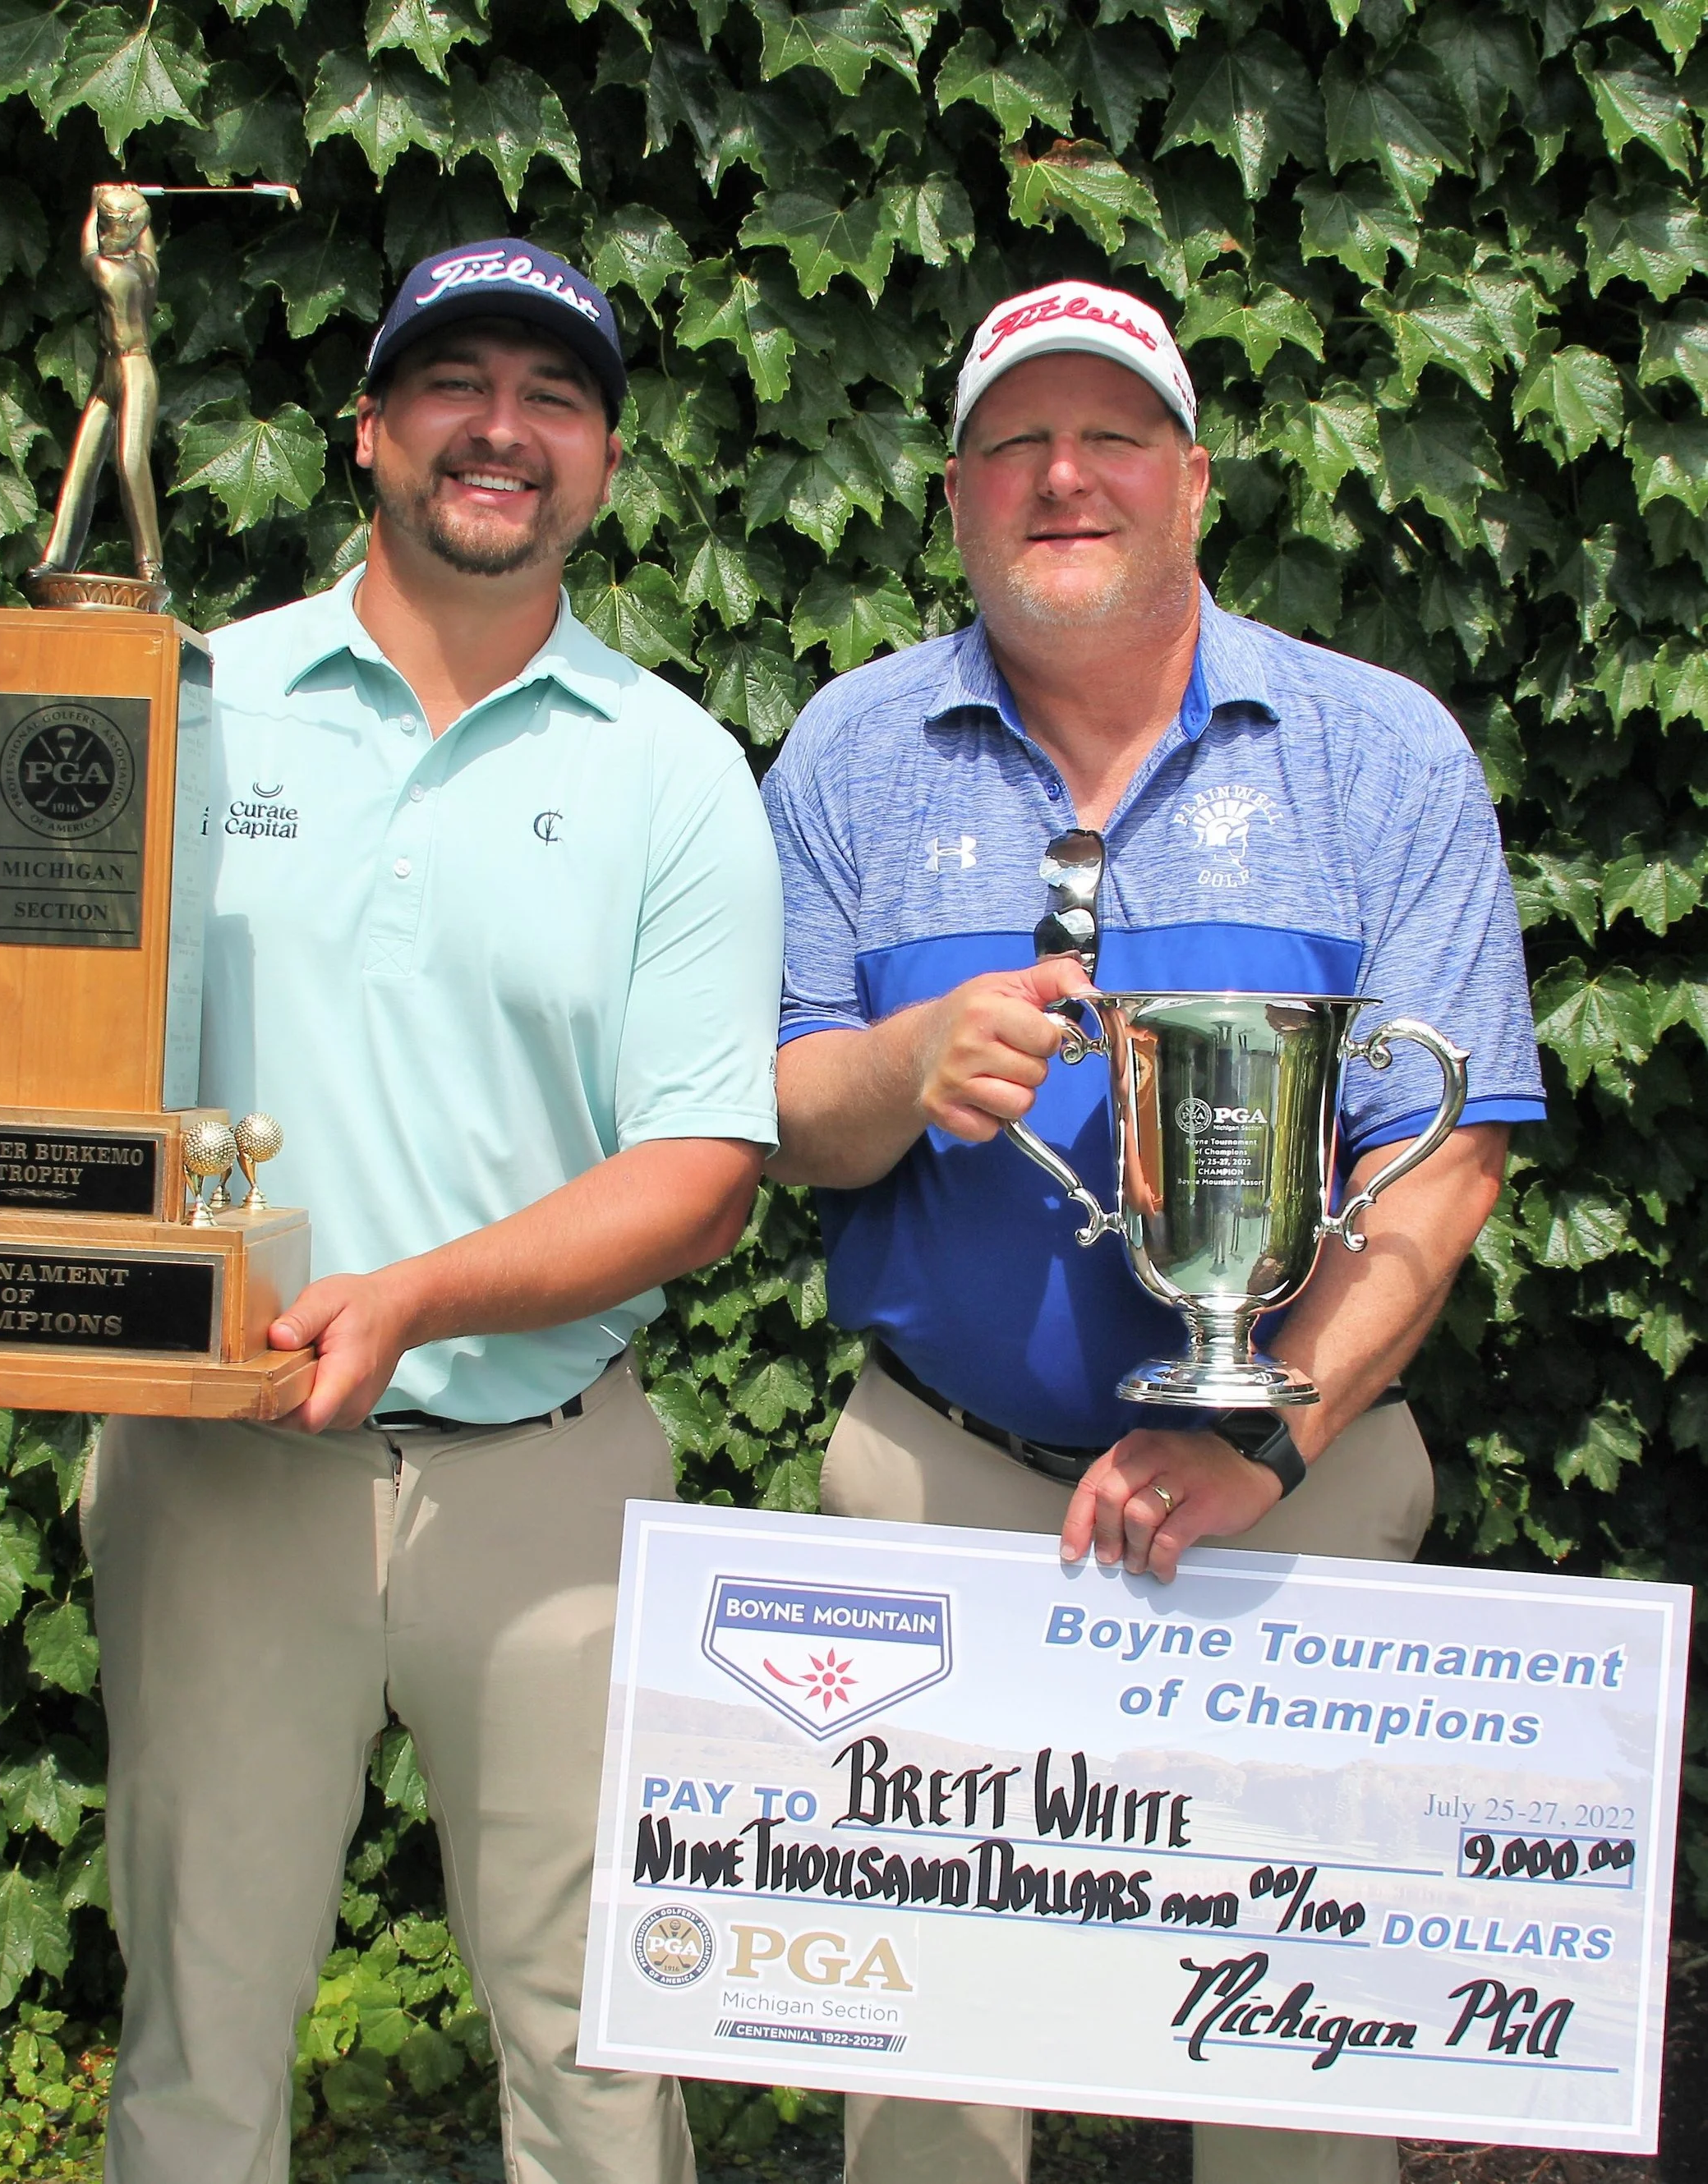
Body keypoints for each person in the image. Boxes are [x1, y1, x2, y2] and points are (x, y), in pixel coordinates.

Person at [0, 238, 782, 2184]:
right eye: (453, 384)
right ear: (370, 433)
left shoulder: (676, 770)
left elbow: (699, 1177)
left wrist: (411, 1295)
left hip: (550, 1482)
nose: (500, 429)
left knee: (599, 2048)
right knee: (199, 2026)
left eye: (553, 397)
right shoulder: (191, 693)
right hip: (220, 1463)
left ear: (600, 462)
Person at [762, 280, 1544, 2184]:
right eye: (1016, 439)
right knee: (927, 2076)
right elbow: (776, 1124)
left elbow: (1445, 1164)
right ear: (955, 493)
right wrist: (895, 1070)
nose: (1064, 475)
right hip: (937, 1482)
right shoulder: (851, 750)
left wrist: (1259, 1436)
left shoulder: (1380, 750)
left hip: (1300, 1492)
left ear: (1192, 481)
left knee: (1293, 2070)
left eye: (1111, 434)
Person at [32, 182, 163, 584]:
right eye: (102, 225)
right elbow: (134, 245)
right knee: (81, 463)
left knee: (130, 461)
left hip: (135, 370)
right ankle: (57, 559)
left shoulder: (123, 270)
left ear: (132, 230)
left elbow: (89, 251)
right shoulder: (140, 265)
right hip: (107, 372)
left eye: (114, 227)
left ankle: (150, 565)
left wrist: (93, 205)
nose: (105, 234)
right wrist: (105, 207)